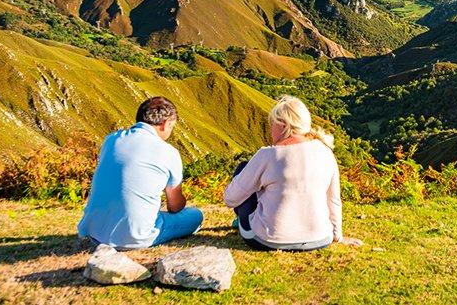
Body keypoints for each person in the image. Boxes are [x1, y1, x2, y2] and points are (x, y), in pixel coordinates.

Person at [223, 95, 362, 251]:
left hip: (267, 240)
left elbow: (230, 199)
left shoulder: (267, 155)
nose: (270, 129)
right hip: (321, 239)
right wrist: (337, 236)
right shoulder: (326, 151)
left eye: (272, 123)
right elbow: (333, 200)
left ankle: (243, 221)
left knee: (243, 168)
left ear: (283, 126)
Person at [77, 96, 203, 249]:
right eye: (171, 126)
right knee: (195, 215)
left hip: (94, 233)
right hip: (137, 236)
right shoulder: (168, 152)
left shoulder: (111, 140)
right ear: (165, 124)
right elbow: (174, 206)